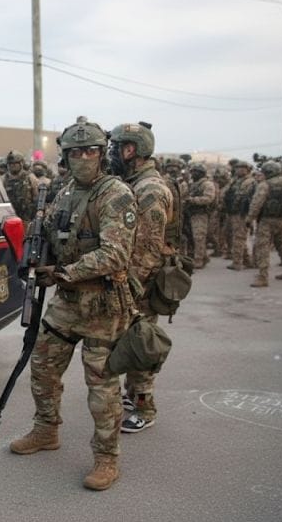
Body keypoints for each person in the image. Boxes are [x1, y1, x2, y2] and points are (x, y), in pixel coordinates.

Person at [9, 116, 137, 492]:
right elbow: (50, 231)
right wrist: (34, 254)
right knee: (43, 365)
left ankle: (106, 458)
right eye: (76, 151)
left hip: (102, 303)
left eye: (91, 151)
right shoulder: (63, 190)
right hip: (66, 300)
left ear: (103, 154)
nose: (83, 157)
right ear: (65, 155)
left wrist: (63, 272)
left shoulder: (114, 193)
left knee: (101, 386)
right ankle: (46, 430)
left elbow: (116, 254)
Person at [108, 122, 173, 434]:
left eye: (116, 146)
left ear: (130, 149)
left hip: (142, 284)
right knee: (131, 339)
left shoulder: (150, 190)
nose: (111, 153)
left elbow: (148, 250)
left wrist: (127, 288)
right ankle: (135, 397)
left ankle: (146, 407)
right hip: (134, 280)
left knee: (140, 341)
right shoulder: (134, 182)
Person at [247, 161, 282, 287]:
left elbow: (256, 204)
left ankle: (263, 276)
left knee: (263, 247)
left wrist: (249, 219)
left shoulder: (264, 185)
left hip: (266, 220)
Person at [225, 160, 256, 270]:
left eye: (242, 168)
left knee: (239, 238)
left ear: (247, 170)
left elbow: (243, 196)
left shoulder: (249, 181)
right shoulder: (235, 180)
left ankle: (237, 262)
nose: (239, 170)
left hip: (241, 213)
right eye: (238, 168)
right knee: (239, 237)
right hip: (233, 212)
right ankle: (247, 261)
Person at [184, 163, 216, 269]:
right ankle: (203, 257)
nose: (192, 174)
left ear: (201, 173)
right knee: (193, 237)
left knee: (199, 237)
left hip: (201, 214)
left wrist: (193, 200)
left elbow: (209, 198)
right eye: (192, 171)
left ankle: (199, 260)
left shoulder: (207, 184)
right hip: (192, 213)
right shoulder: (194, 184)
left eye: (195, 172)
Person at [3, 150, 39, 227]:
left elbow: (36, 198)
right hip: (9, 219)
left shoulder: (30, 178)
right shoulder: (3, 179)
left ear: (21, 164)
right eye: (10, 164)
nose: (12, 166)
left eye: (15, 163)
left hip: (26, 219)